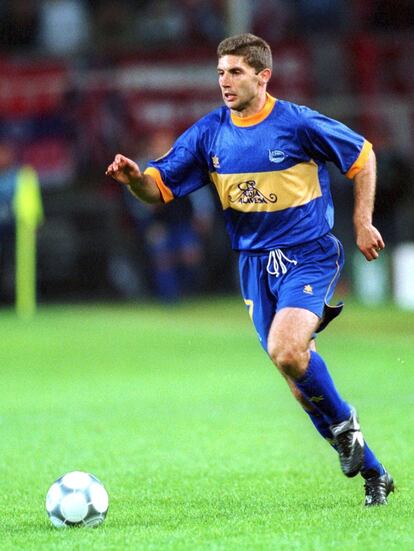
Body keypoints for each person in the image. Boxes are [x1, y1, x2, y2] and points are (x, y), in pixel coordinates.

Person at [106, 33, 393, 506]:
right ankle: (375, 474)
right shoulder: (209, 134)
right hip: (254, 267)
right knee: (299, 383)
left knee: (286, 349)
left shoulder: (297, 123)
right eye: (220, 72)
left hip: (307, 254)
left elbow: (363, 157)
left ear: (263, 77)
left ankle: (345, 425)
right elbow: (158, 188)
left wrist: (363, 222)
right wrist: (135, 180)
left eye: (236, 72)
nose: (225, 81)